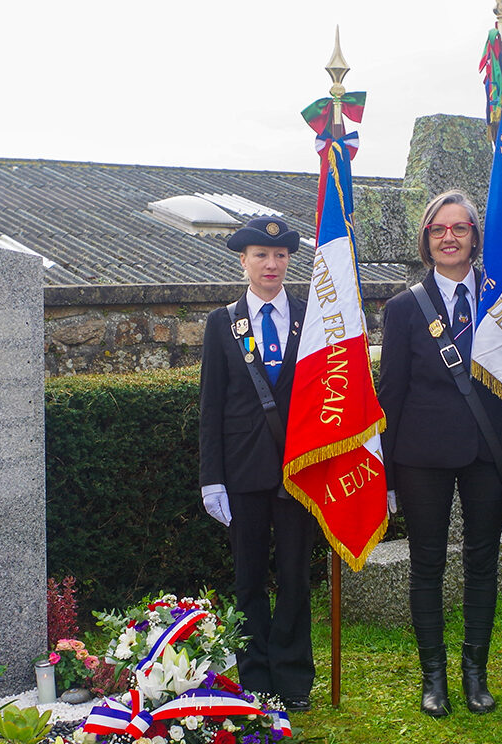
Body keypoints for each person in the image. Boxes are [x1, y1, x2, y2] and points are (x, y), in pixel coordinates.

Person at [378, 190, 502, 717]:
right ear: (426, 239)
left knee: (484, 562)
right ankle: (433, 677)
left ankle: (475, 674)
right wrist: (387, 472)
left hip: (490, 451)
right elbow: (390, 393)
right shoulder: (402, 308)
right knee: (427, 564)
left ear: (475, 238)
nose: (449, 238)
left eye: (459, 229)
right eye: (439, 229)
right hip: (422, 455)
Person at [197, 216, 316, 712]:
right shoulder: (223, 323)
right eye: (261, 256)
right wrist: (212, 479)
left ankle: (292, 677)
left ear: (289, 261)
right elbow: (212, 405)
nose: (271, 264)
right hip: (243, 471)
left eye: (281, 256)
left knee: (294, 575)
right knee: (248, 578)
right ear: (243, 261)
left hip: (300, 469)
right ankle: (255, 676)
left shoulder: (313, 315)